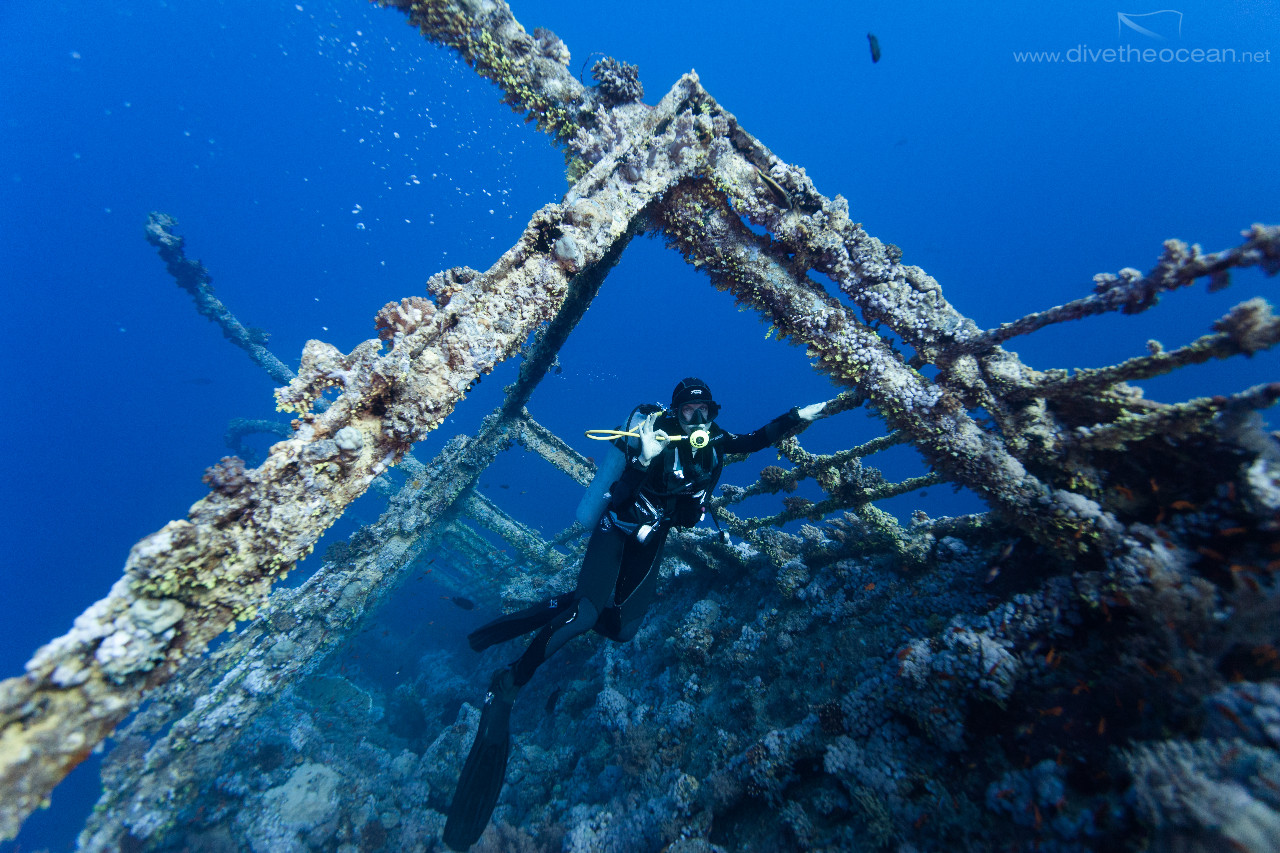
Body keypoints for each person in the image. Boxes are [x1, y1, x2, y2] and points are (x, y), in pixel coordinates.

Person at [442, 378, 830, 850]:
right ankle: (510, 683)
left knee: (622, 631)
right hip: (617, 526)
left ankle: (566, 602)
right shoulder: (653, 438)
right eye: (687, 411)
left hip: (653, 536)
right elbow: (620, 497)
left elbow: (757, 439)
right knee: (587, 615)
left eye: (702, 409)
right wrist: (644, 457)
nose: (696, 419)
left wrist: (800, 416)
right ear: (673, 411)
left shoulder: (715, 441)